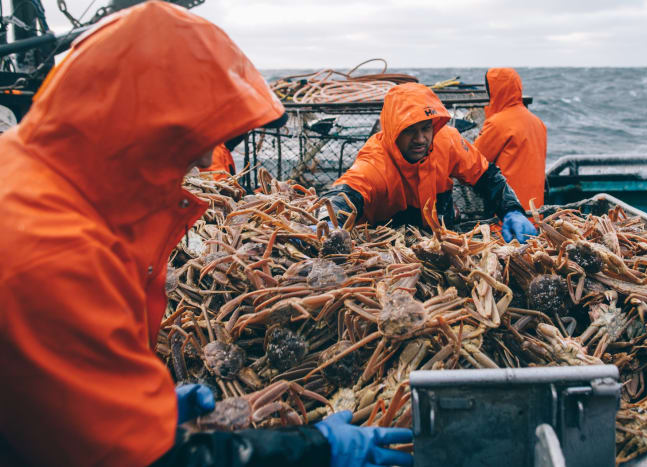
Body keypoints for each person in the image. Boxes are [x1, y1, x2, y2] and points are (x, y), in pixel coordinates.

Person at [0, 3, 411, 467]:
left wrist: (127, 404)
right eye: (194, 135)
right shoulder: (55, 253)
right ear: (142, 122)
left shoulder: (21, 170)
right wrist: (315, 450)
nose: (203, 160)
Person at [321, 82, 536, 243]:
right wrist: (326, 222)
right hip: (385, 237)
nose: (420, 139)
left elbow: (486, 176)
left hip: (438, 227)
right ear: (394, 131)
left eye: (425, 128)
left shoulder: (447, 139)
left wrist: (512, 210)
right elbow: (344, 194)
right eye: (410, 131)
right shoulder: (376, 162)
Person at [474, 68, 547, 209]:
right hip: (535, 210)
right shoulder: (537, 122)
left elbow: (475, 160)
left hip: (507, 210)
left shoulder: (497, 123)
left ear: (494, 91)